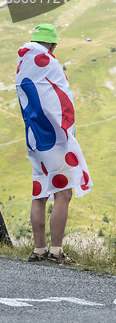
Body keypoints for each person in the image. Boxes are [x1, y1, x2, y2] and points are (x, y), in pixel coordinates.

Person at [15, 24, 93, 264]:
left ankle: (39, 250)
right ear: (53, 45)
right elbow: (62, 98)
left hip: (34, 137)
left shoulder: (22, 62)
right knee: (63, 192)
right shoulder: (49, 62)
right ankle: (56, 251)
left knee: (39, 192)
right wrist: (66, 131)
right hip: (53, 137)